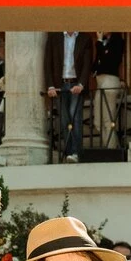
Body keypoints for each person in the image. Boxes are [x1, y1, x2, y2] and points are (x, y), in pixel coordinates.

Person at [46, 32, 93, 163]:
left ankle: (76, 152)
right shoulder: (54, 37)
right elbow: (48, 62)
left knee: (75, 117)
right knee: (64, 119)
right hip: (59, 85)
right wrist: (50, 85)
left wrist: (81, 84)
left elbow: (87, 64)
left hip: (76, 84)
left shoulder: (85, 38)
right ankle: (68, 152)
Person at [92, 32, 126, 149]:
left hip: (110, 81)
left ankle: (111, 149)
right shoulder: (103, 42)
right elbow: (97, 61)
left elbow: (108, 61)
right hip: (100, 82)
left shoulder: (117, 41)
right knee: (98, 121)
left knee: (108, 120)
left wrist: (99, 42)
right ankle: (108, 147)